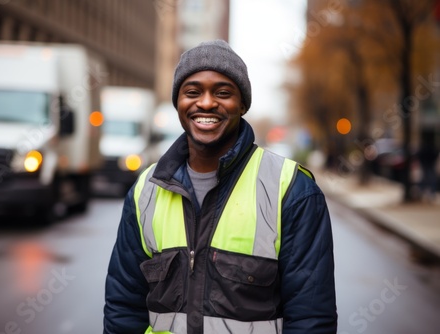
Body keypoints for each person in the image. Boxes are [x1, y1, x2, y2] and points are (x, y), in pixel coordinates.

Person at [103, 40, 337, 334]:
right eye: (192, 92)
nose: (206, 103)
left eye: (223, 93)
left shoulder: (292, 191)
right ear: (178, 102)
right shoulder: (144, 192)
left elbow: (311, 319)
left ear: (242, 104)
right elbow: (124, 306)